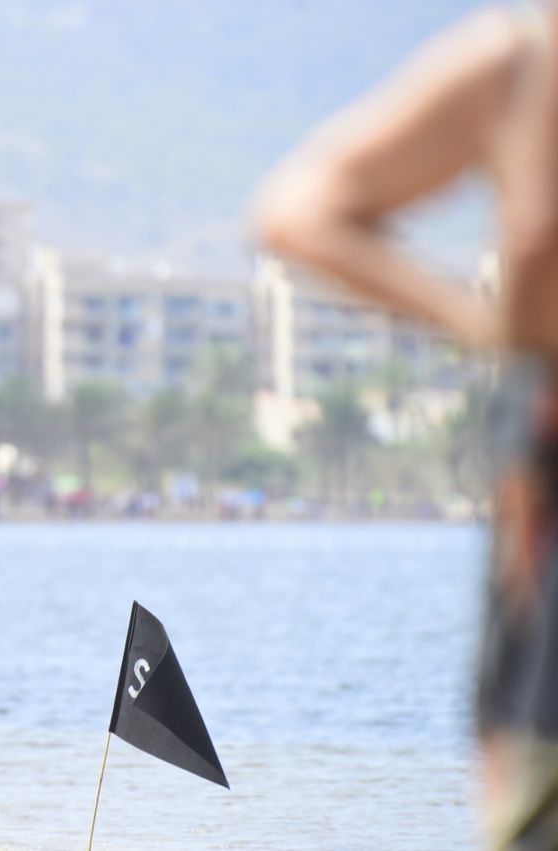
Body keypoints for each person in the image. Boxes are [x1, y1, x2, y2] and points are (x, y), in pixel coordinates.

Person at [252, 5, 558, 846]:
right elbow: (300, 209)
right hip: (545, 474)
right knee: (534, 797)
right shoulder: (520, 59)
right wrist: (479, 321)